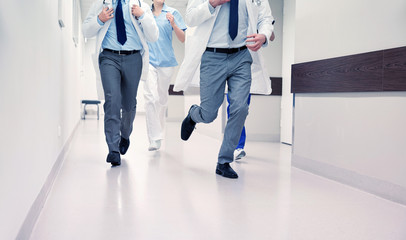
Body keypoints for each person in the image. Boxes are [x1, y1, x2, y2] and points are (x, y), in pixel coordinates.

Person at [175, 0, 274, 178]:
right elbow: (190, 18)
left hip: (242, 56)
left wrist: (264, 35)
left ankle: (224, 161)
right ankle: (193, 115)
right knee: (209, 113)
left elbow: (265, 18)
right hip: (212, 57)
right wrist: (212, 3)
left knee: (240, 108)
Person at [83, 0, 159, 166]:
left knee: (129, 105)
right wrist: (99, 19)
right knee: (112, 100)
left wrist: (143, 16)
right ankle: (113, 149)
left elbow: (154, 36)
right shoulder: (100, 3)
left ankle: (125, 135)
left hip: (133, 58)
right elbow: (85, 30)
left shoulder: (141, 5)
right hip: (109, 57)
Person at [144, 0, 187, 151]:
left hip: (167, 63)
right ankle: (154, 138)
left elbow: (183, 38)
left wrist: (174, 24)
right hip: (149, 61)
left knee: (161, 99)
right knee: (151, 97)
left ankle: (159, 133)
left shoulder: (173, 13)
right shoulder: (145, 12)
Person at [227, 93, 251, 160]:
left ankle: (238, 148)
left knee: (240, 113)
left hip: (246, 86)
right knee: (234, 113)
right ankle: (236, 147)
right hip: (233, 86)